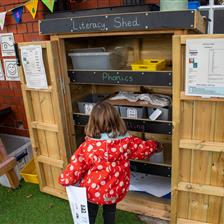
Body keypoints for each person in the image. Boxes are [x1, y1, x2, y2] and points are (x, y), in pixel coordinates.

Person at [58, 101, 159, 224]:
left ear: (92, 122)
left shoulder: (88, 146)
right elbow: (143, 149)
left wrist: (65, 179)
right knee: (110, 212)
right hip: (115, 188)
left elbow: (76, 166)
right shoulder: (127, 142)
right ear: (117, 120)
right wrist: (154, 145)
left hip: (92, 190)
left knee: (90, 213)